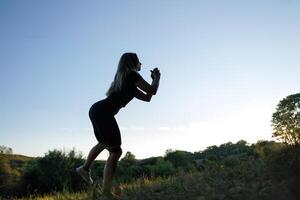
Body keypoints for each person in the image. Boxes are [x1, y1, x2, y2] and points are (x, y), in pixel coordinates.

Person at [76, 52, 161, 198]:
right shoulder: (132, 75)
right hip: (102, 112)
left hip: (97, 110)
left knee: (104, 143)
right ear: (133, 63)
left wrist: (153, 81)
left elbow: (148, 98)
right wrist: (157, 78)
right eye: (139, 62)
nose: (141, 64)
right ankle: (106, 192)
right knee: (116, 152)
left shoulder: (126, 80)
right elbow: (152, 91)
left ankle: (84, 169)